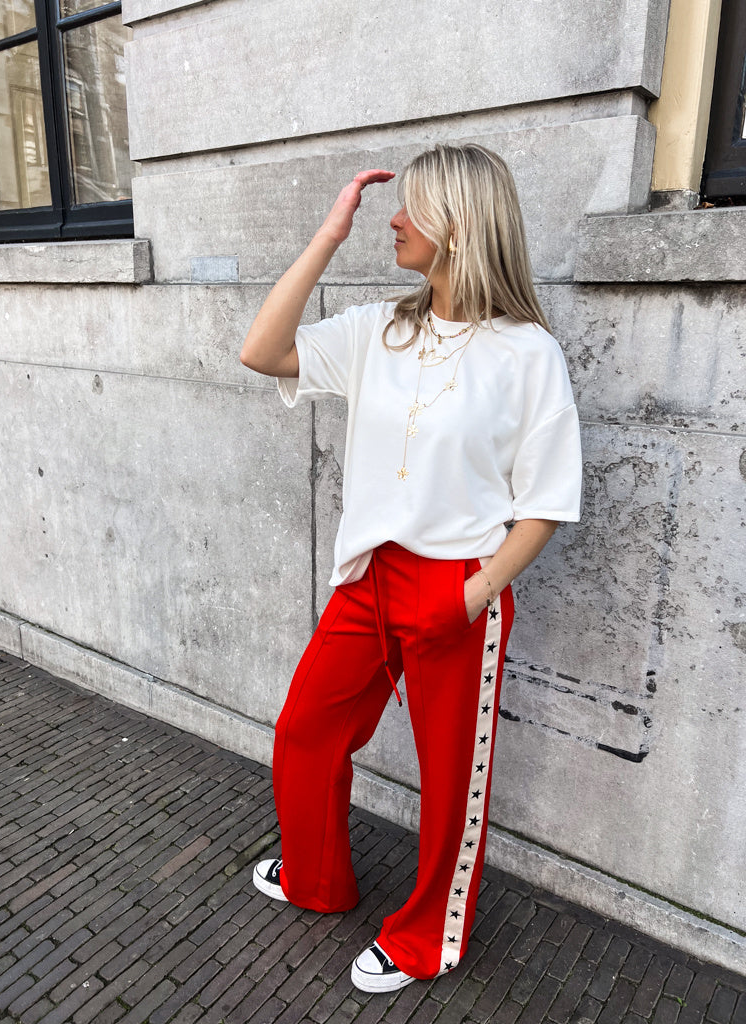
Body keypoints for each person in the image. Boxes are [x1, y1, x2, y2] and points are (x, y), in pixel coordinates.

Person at [239, 143, 582, 993]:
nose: (393, 220)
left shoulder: (528, 355)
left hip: (457, 586)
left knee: (449, 783)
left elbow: (544, 502)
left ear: (460, 225)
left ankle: (429, 937)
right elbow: (261, 350)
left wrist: (472, 595)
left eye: (414, 207)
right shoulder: (379, 332)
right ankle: (316, 878)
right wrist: (326, 233)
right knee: (306, 730)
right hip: (366, 579)